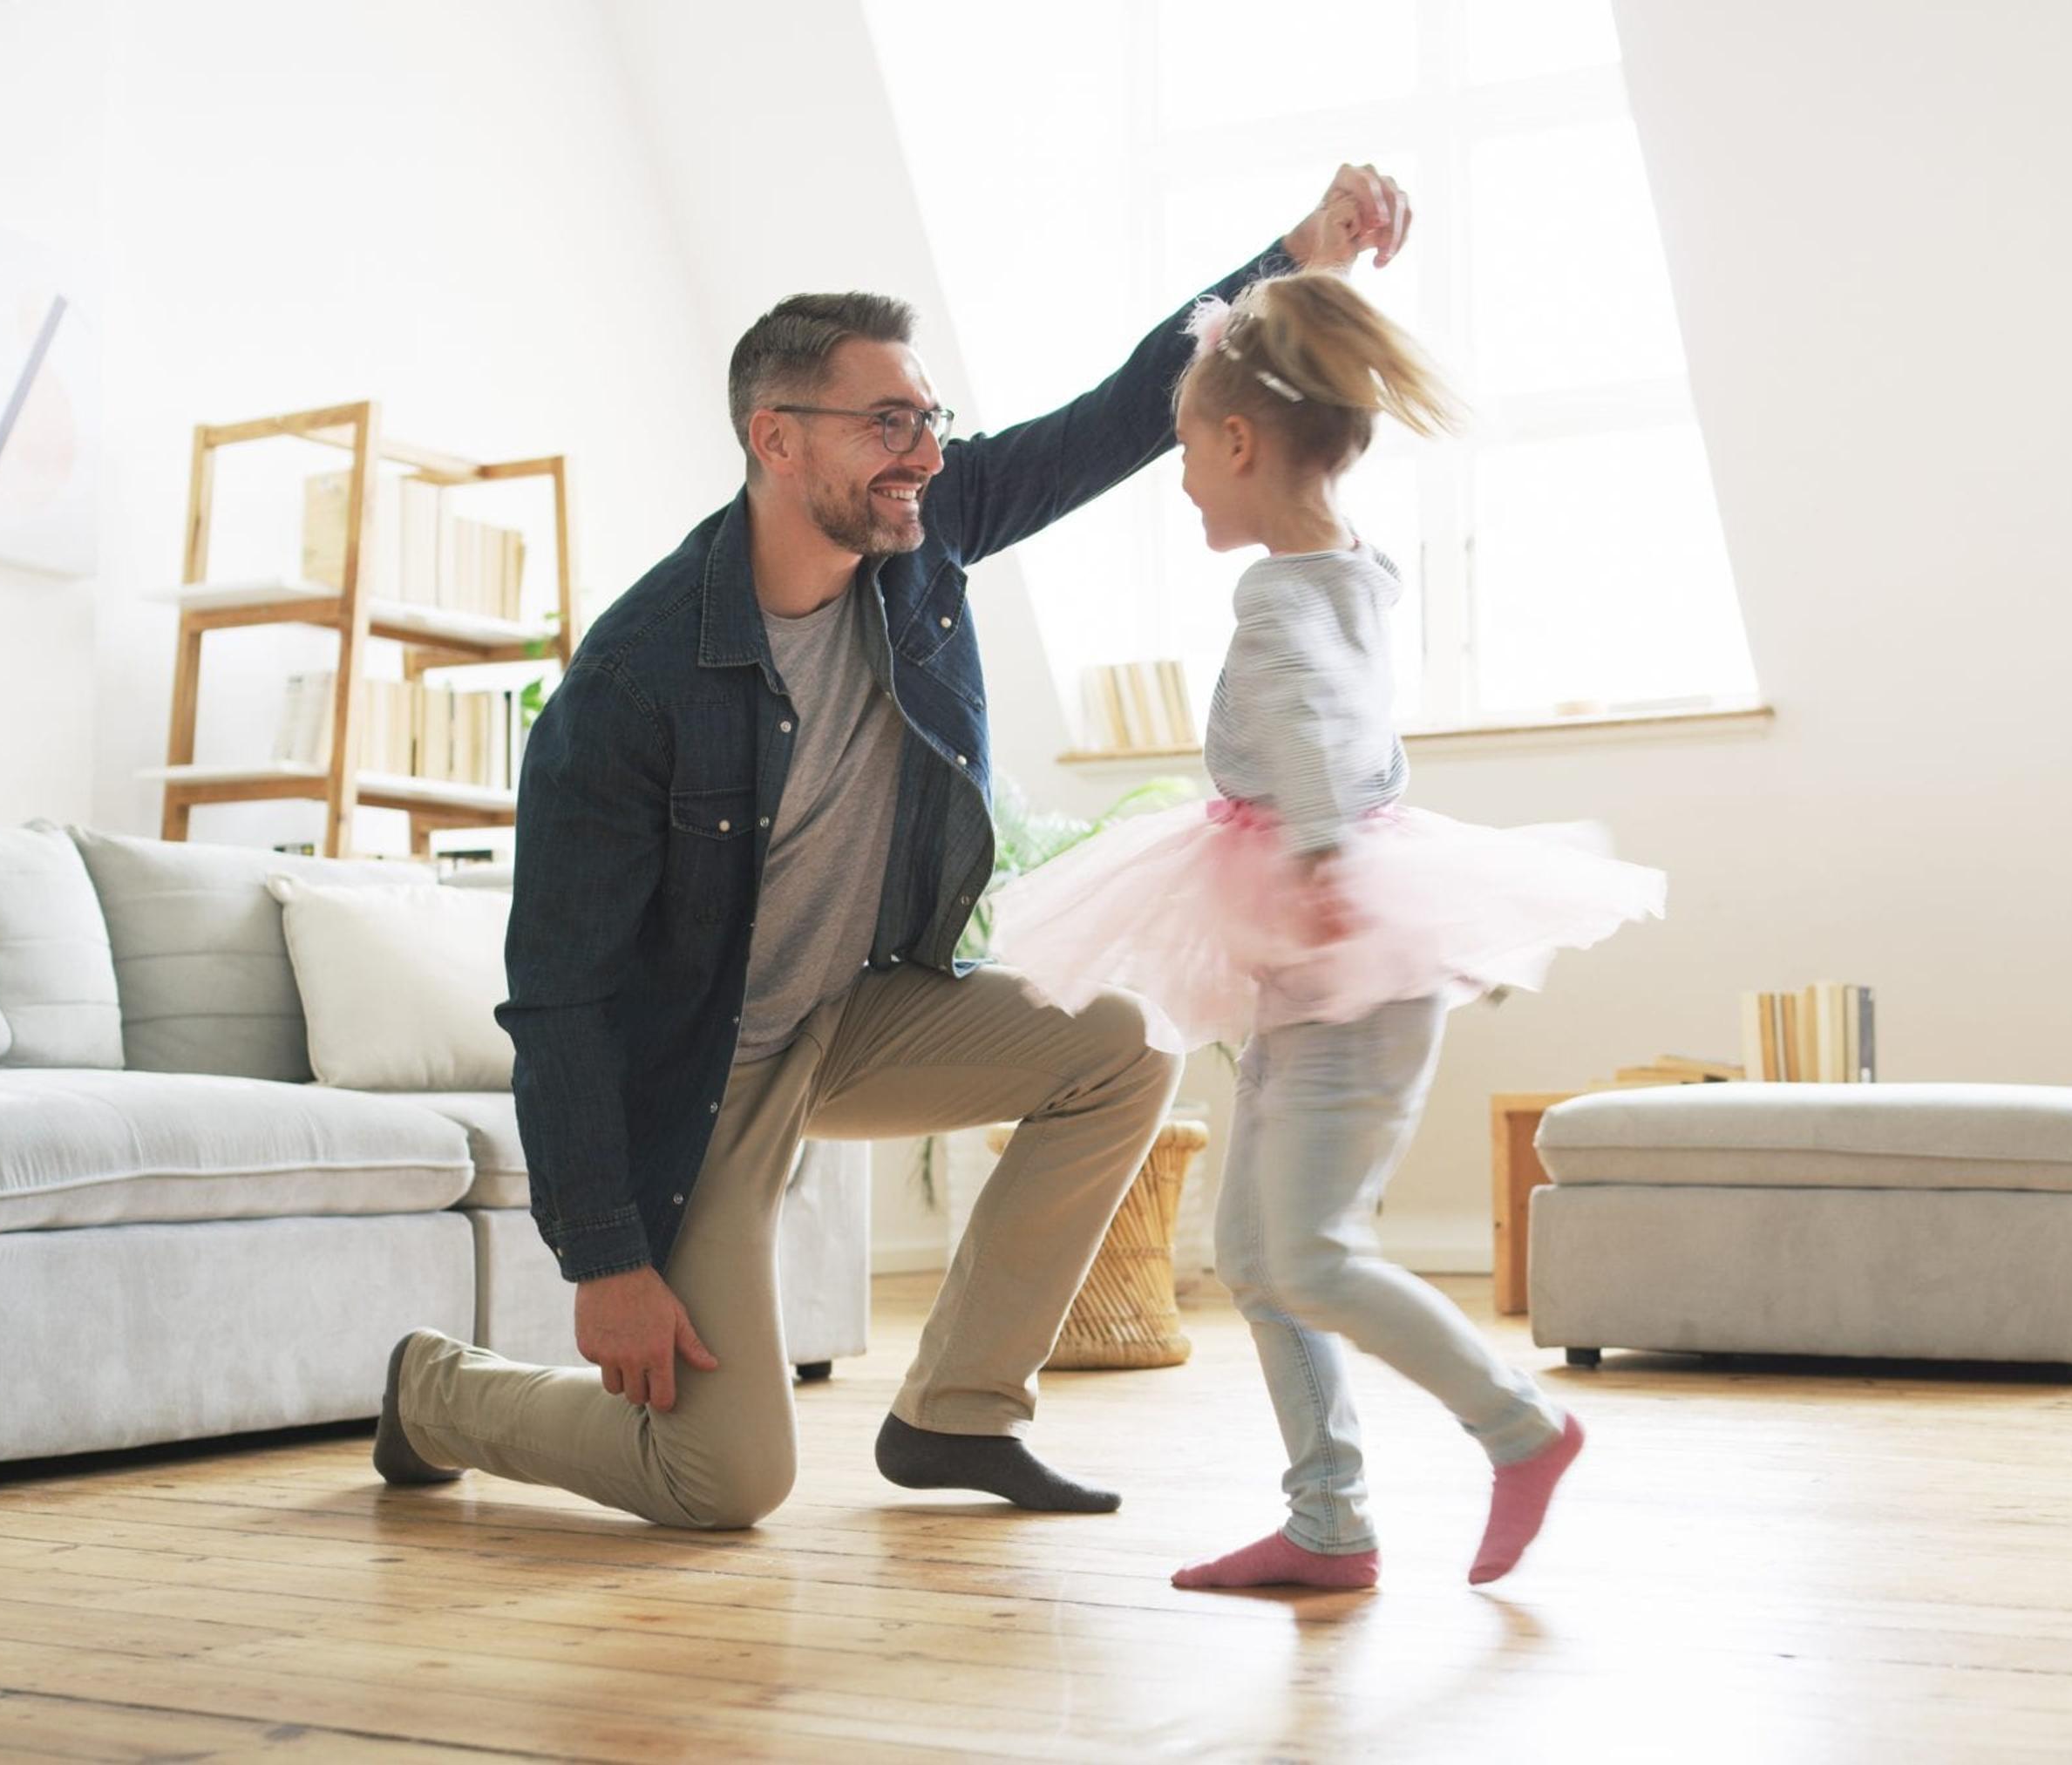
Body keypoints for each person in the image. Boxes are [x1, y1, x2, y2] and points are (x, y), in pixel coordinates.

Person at [366, 169, 1419, 1532]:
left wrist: (1295, 257)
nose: (923, 451)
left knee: (1123, 1045)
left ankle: (956, 1413)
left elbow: (1113, 418)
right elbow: (558, 996)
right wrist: (604, 1258)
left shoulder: (920, 541)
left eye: (929, 419)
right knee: (725, 1480)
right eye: (888, 422)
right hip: (701, 1076)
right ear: (777, 440)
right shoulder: (631, 685)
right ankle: (439, 1390)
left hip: (851, 1012)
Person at [988, 274, 1666, 1588]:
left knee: (1310, 1248)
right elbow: (1330, 715)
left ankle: (1521, 1428)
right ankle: (1327, 1518)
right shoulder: (1352, 568)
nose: (1180, 478)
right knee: (1257, 1250)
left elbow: (1312, 724)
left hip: (1348, 941)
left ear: (1239, 442)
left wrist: (1318, 859)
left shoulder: (1280, 603)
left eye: (1186, 448)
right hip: (1320, 942)